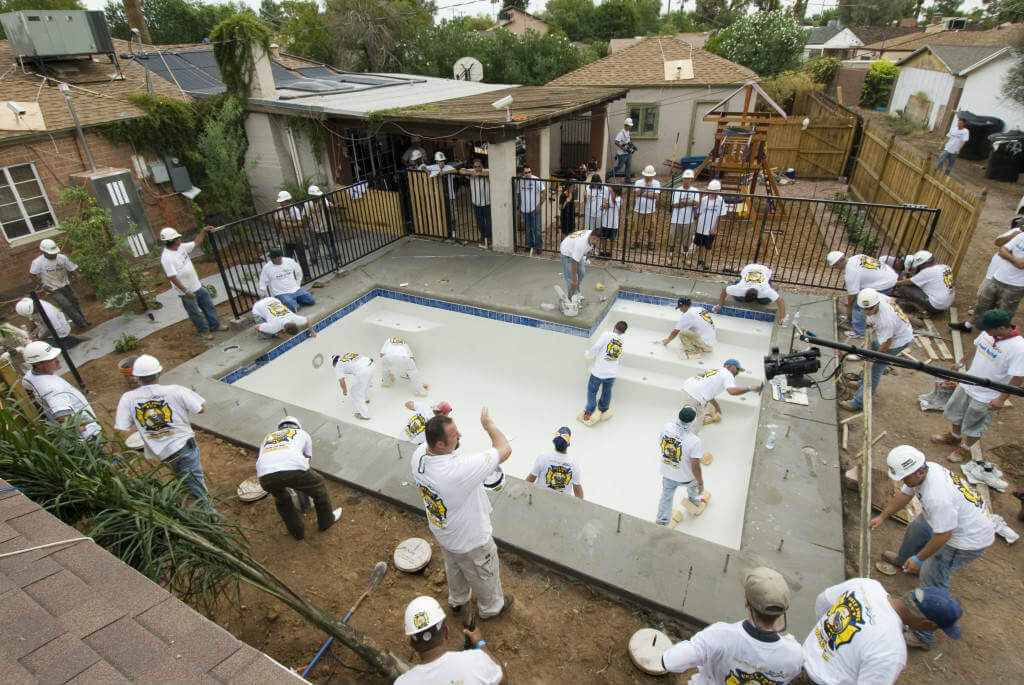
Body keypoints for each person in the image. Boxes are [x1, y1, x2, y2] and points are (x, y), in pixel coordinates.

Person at [870, 445, 993, 646]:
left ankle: (923, 635)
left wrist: (920, 559)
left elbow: (944, 534)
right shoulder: (923, 471)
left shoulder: (937, 497)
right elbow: (904, 495)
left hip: (966, 539)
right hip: (951, 521)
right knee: (917, 528)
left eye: (905, 477)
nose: (902, 480)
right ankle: (904, 562)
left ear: (919, 471)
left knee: (933, 575)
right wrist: (883, 516)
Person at [412, 409, 514, 620]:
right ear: (440, 444)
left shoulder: (419, 456)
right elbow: (504, 449)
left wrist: (437, 419)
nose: (460, 436)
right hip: (471, 540)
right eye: (454, 436)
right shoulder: (456, 471)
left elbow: (431, 439)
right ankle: (491, 607)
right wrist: (488, 425)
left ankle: (458, 600)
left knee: (455, 567)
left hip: (445, 532)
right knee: (485, 575)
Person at [802, 578, 963, 682]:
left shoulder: (867, 585)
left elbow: (823, 600)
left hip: (799, 660)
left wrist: (826, 636)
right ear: (928, 625)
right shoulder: (892, 650)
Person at [661, 567, 801, 683]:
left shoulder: (720, 636)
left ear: (746, 602)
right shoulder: (795, 655)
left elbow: (671, 662)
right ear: (783, 611)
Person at [932, 309, 1023, 483]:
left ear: (1002, 328)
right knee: (955, 411)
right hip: (969, 382)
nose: (985, 332)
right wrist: (960, 363)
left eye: (988, 329)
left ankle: (965, 448)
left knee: (975, 424)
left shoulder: (1018, 348)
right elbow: (976, 347)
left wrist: (1001, 399)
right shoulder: (988, 333)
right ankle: (955, 437)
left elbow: (1018, 377)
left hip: (987, 395)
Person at [114, 354, 211, 504]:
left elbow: (120, 429)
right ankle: (211, 516)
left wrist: (116, 458)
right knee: (197, 485)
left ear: (136, 377)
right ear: (158, 373)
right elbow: (200, 409)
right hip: (183, 446)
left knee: (182, 475)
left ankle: (188, 492)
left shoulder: (128, 398)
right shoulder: (176, 391)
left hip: (161, 451)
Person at [256, 416, 341, 540]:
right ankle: (326, 522)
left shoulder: (268, 437)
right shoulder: (302, 433)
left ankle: (297, 532)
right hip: (293, 467)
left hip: (265, 475)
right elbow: (307, 458)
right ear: (298, 426)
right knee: (319, 486)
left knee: (281, 498)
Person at [394, 596, 503, 685]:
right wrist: (480, 643)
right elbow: (502, 680)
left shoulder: (402, 683)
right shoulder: (476, 660)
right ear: (446, 632)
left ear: (411, 643)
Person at [838, 288, 914, 412]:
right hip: (891, 335)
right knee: (871, 352)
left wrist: (874, 358)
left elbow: (887, 342)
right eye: (865, 309)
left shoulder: (886, 321)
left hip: (897, 341)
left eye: (870, 309)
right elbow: (892, 300)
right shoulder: (876, 296)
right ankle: (861, 383)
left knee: (874, 370)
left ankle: (858, 403)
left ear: (877, 304)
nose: (867, 312)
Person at [20, 340, 101, 443]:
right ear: (39, 365)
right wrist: (80, 428)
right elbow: (63, 416)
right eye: (52, 359)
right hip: (87, 437)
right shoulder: (53, 389)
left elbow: (26, 386)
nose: (58, 360)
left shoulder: (30, 376)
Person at [950, 221, 1024, 332]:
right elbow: (1001, 250)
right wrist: (1013, 259)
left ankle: (996, 336)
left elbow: (1020, 264)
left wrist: (1008, 256)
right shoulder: (1021, 236)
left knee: (1004, 313)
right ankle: (967, 326)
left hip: (1016, 285)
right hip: (998, 278)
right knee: (982, 304)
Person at [159, 226, 224, 341]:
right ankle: (203, 331)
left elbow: (196, 242)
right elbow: (172, 277)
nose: (180, 239)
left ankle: (215, 326)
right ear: (171, 241)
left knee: (208, 305)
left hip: (196, 285)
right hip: (186, 290)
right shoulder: (167, 258)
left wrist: (203, 231)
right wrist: (185, 290)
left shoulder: (180, 247)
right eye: (177, 238)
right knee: (195, 313)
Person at [655, 406, 710, 525]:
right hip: (686, 478)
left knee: (666, 497)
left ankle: (662, 520)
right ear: (693, 422)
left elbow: (661, 445)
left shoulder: (667, 427)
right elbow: (695, 467)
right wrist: (700, 483)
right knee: (694, 487)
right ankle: (695, 502)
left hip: (667, 473)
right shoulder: (695, 441)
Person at [825, 251, 898, 338]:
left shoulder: (851, 273)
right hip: (888, 275)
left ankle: (859, 332)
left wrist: (849, 308)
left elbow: (852, 295)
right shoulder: (856, 257)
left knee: (859, 304)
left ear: (837, 264)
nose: (835, 268)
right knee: (859, 300)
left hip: (885, 282)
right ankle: (857, 319)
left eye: (834, 266)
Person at [680, 360, 762, 432]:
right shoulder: (728, 374)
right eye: (737, 369)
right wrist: (750, 388)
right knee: (697, 424)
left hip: (686, 388)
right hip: (694, 396)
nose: (738, 372)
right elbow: (732, 391)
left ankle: (687, 423)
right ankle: (688, 441)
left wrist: (717, 407)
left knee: (698, 411)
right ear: (729, 366)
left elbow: (708, 392)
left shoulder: (716, 371)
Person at [29, 238, 88, 328]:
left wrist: (77, 277)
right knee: (66, 305)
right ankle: (81, 323)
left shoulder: (62, 258)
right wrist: (43, 285)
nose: (54, 255)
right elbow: (32, 275)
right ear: (44, 252)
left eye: (55, 253)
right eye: (51, 253)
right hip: (52, 289)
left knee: (74, 302)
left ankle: (82, 320)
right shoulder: (38, 262)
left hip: (65, 285)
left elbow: (71, 269)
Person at [580, 320, 627, 426]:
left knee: (592, 390)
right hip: (612, 373)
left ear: (614, 327)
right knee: (607, 391)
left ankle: (589, 410)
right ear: (623, 332)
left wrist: (588, 355)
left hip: (599, 371)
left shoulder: (606, 334)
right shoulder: (621, 342)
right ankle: (603, 408)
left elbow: (597, 347)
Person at [714, 263, 787, 324]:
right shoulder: (740, 288)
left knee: (765, 301)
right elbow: (724, 290)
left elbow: (780, 301)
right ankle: (737, 281)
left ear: (758, 295)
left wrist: (782, 318)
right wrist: (719, 305)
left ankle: (774, 288)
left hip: (764, 270)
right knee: (738, 298)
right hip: (748, 268)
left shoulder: (765, 290)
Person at [525, 426, 583, 499]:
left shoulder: (543, 457)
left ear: (553, 442)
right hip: (561, 503)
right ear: (568, 444)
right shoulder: (574, 465)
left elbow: (529, 480)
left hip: (540, 498)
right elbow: (578, 492)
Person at [893, 250, 955, 315]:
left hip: (936, 305)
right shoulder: (945, 267)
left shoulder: (927, 272)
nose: (919, 268)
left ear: (924, 263)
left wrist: (894, 283)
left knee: (903, 289)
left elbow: (908, 282)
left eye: (920, 266)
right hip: (947, 303)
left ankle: (923, 311)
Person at [258, 247, 316, 313]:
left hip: (296, 290)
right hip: (281, 293)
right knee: (294, 308)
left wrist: (297, 284)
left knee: (312, 301)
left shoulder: (289, 261)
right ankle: (288, 302)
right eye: (271, 258)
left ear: (279, 257)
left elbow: (298, 271)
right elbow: (263, 280)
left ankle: (293, 301)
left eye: (273, 258)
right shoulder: (267, 267)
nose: (272, 260)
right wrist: (262, 292)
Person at [15, 297, 80, 349]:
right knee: (35, 341)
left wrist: (40, 340)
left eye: (32, 313)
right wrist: (29, 332)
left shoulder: (49, 313)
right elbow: (32, 319)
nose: (32, 314)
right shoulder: (28, 303)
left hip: (58, 331)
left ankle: (72, 340)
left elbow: (51, 330)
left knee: (44, 348)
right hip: (45, 328)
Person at [332, 352, 374, 420]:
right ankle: (366, 399)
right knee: (365, 383)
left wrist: (344, 391)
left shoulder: (338, 365)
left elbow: (342, 381)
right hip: (371, 365)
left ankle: (365, 415)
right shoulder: (347, 355)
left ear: (333, 363)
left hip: (363, 370)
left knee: (355, 393)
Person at [459, 159, 491, 248]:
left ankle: (489, 237)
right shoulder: (472, 172)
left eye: (479, 166)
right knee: (479, 221)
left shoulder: (486, 171)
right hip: (476, 202)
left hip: (486, 202)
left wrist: (480, 174)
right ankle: (483, 236)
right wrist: (471, 172)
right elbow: (461, 170)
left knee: (488, 221)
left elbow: (492, 173)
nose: (477, 168)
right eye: (475, 167)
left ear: (482, 166)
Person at [693, 180, 725, 270]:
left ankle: (707, 264)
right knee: (699, 245)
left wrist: (715, 227)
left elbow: (720, 216)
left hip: (711, 227)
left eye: (716, 192)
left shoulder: (720, 200)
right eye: (712, 191)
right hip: (701, 225)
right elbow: (697, 212)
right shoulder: (704, 199)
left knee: (708, 247)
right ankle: (700, 260)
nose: (714, 193)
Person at [559, 229, 598, 301]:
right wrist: (574, 281)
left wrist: (588, 253)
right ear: (590, 236)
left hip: (576, 250)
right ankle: (571, 299)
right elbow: (574, 263)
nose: (595, 241)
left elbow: (590, 246)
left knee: (581, 272)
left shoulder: (592, 234)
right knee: (571, 278)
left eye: (597, 240)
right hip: (567, 252)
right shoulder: (581, 243)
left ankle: (576, 292)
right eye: (594, 239)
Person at [274, 190, 309, 272]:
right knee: (287, 260)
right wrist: (277, 236)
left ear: (288, 201)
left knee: (302, 257)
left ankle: (307, 275)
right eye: (281, 202)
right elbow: (277, 225)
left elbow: (301, 223)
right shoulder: (278, 211)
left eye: (283, 202)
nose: (282, 204)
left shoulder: (294, 210)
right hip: (286, 239)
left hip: (297, 237)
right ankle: (290, 276)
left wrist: (289, 225)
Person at [305, 185, 339, 267]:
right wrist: (309, 227)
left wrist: (334, 206)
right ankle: (313, 260)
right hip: (314, 228)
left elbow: (329, 206)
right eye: (315, 196)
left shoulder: (323, 200)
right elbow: (306, 217)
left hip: (325, 227)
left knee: (330, 244)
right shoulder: (307, 204)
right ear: (310, 196)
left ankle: (336, 259)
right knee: (314, 247)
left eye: (317, 196)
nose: (317, 198)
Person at [668, 170, 699, 259]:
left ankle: (685, 255)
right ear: (683, 179)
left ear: (692, 180)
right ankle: (670, 255)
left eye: (689, 179)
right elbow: (675, 204)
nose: (687, 180)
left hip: (689, 220)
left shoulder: (695, 190)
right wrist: (690, 202)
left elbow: (696, 203)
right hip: (676, 219)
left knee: (687, 240)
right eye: (685, 178)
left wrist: (683, 202)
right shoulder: (677, 191)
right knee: (672, 238)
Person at [251, 296, 315, 339]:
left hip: (272, 300)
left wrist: (312, 332)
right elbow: (256, 327)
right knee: (267, 335)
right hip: (258, 308)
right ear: (284, 330)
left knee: (275, 329)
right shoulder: (273, 328)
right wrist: (276, 334)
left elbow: (307, 320)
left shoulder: (294, 318)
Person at [630, 165, 661, 251]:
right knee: (636, 227)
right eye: (647, 175)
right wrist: (644, 188)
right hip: (638, 209)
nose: (648, 177)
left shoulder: (656, 183)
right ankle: (636, 241)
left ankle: (650, 242)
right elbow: (636, 194)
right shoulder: (638, 182)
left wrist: (642, 193)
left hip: (650, 210)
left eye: (649, 176)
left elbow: (656, 196)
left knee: (651, 227)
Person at [517, 166, 544, 255]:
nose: (528, 174)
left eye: (529, 172)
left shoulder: (536, 180)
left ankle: (538, 246)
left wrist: (539, 205)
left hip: (534, 209)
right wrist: (519, 204)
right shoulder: (520, 181)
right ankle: (528, 245)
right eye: (526, 173)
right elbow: (518, 193)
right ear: (523, 174)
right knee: (528, 229)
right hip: (524, 209)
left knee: (537, 229)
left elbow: (543, 192)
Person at [610, 117, 634, 182]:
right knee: (619, 167)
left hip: (628, 153)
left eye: (630, 126)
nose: (630, 127)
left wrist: (632, 145)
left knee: (628, 166)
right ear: (625, 125)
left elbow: (628, 141)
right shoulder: (620, 133)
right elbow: (616, 142)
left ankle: (627, 179)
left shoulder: (628, 132)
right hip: (622, 154)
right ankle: (608, 176)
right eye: (629, 126)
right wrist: (623, 148)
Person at [600, 187, 621, 259]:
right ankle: (604, 251)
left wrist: (612, 192)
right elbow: (603, 206)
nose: (609, 190)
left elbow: (614, 201)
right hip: (605, 221)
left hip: (613, 223)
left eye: (612, 189)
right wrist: (604, 207)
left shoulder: (619, 198)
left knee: (612, 238)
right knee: (604, 238)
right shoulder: (608, 196)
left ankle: (610, 252)